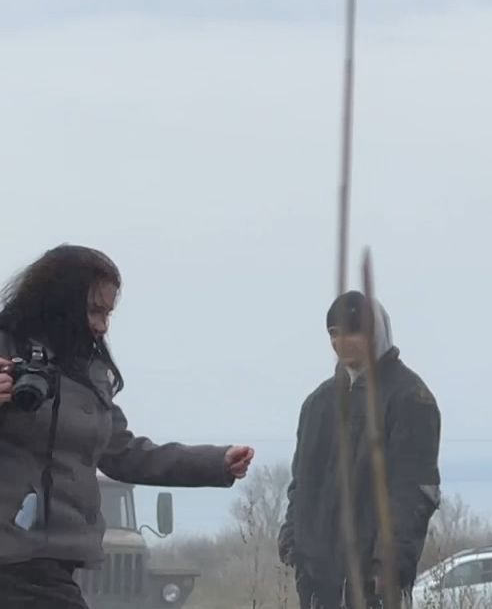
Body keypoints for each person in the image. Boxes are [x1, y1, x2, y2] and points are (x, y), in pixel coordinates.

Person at [0, 244, 253, 607]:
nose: (102, 326)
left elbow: (123, 452)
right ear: (58, 301)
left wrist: (216, 462)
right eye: (93, 310)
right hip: (12, 557)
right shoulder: (6, 348)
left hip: (56, 560)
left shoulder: (90, 373)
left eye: (108, 313)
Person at [279, 291, 442, 609]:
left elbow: (415, 493)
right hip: (316, 582)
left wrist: (386, 566)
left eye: (353, 330)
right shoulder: (317, 404)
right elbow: (301, 482)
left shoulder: (411, 398)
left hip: (375, 586)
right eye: (334, 333)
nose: (342, 342)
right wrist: (293, 537)